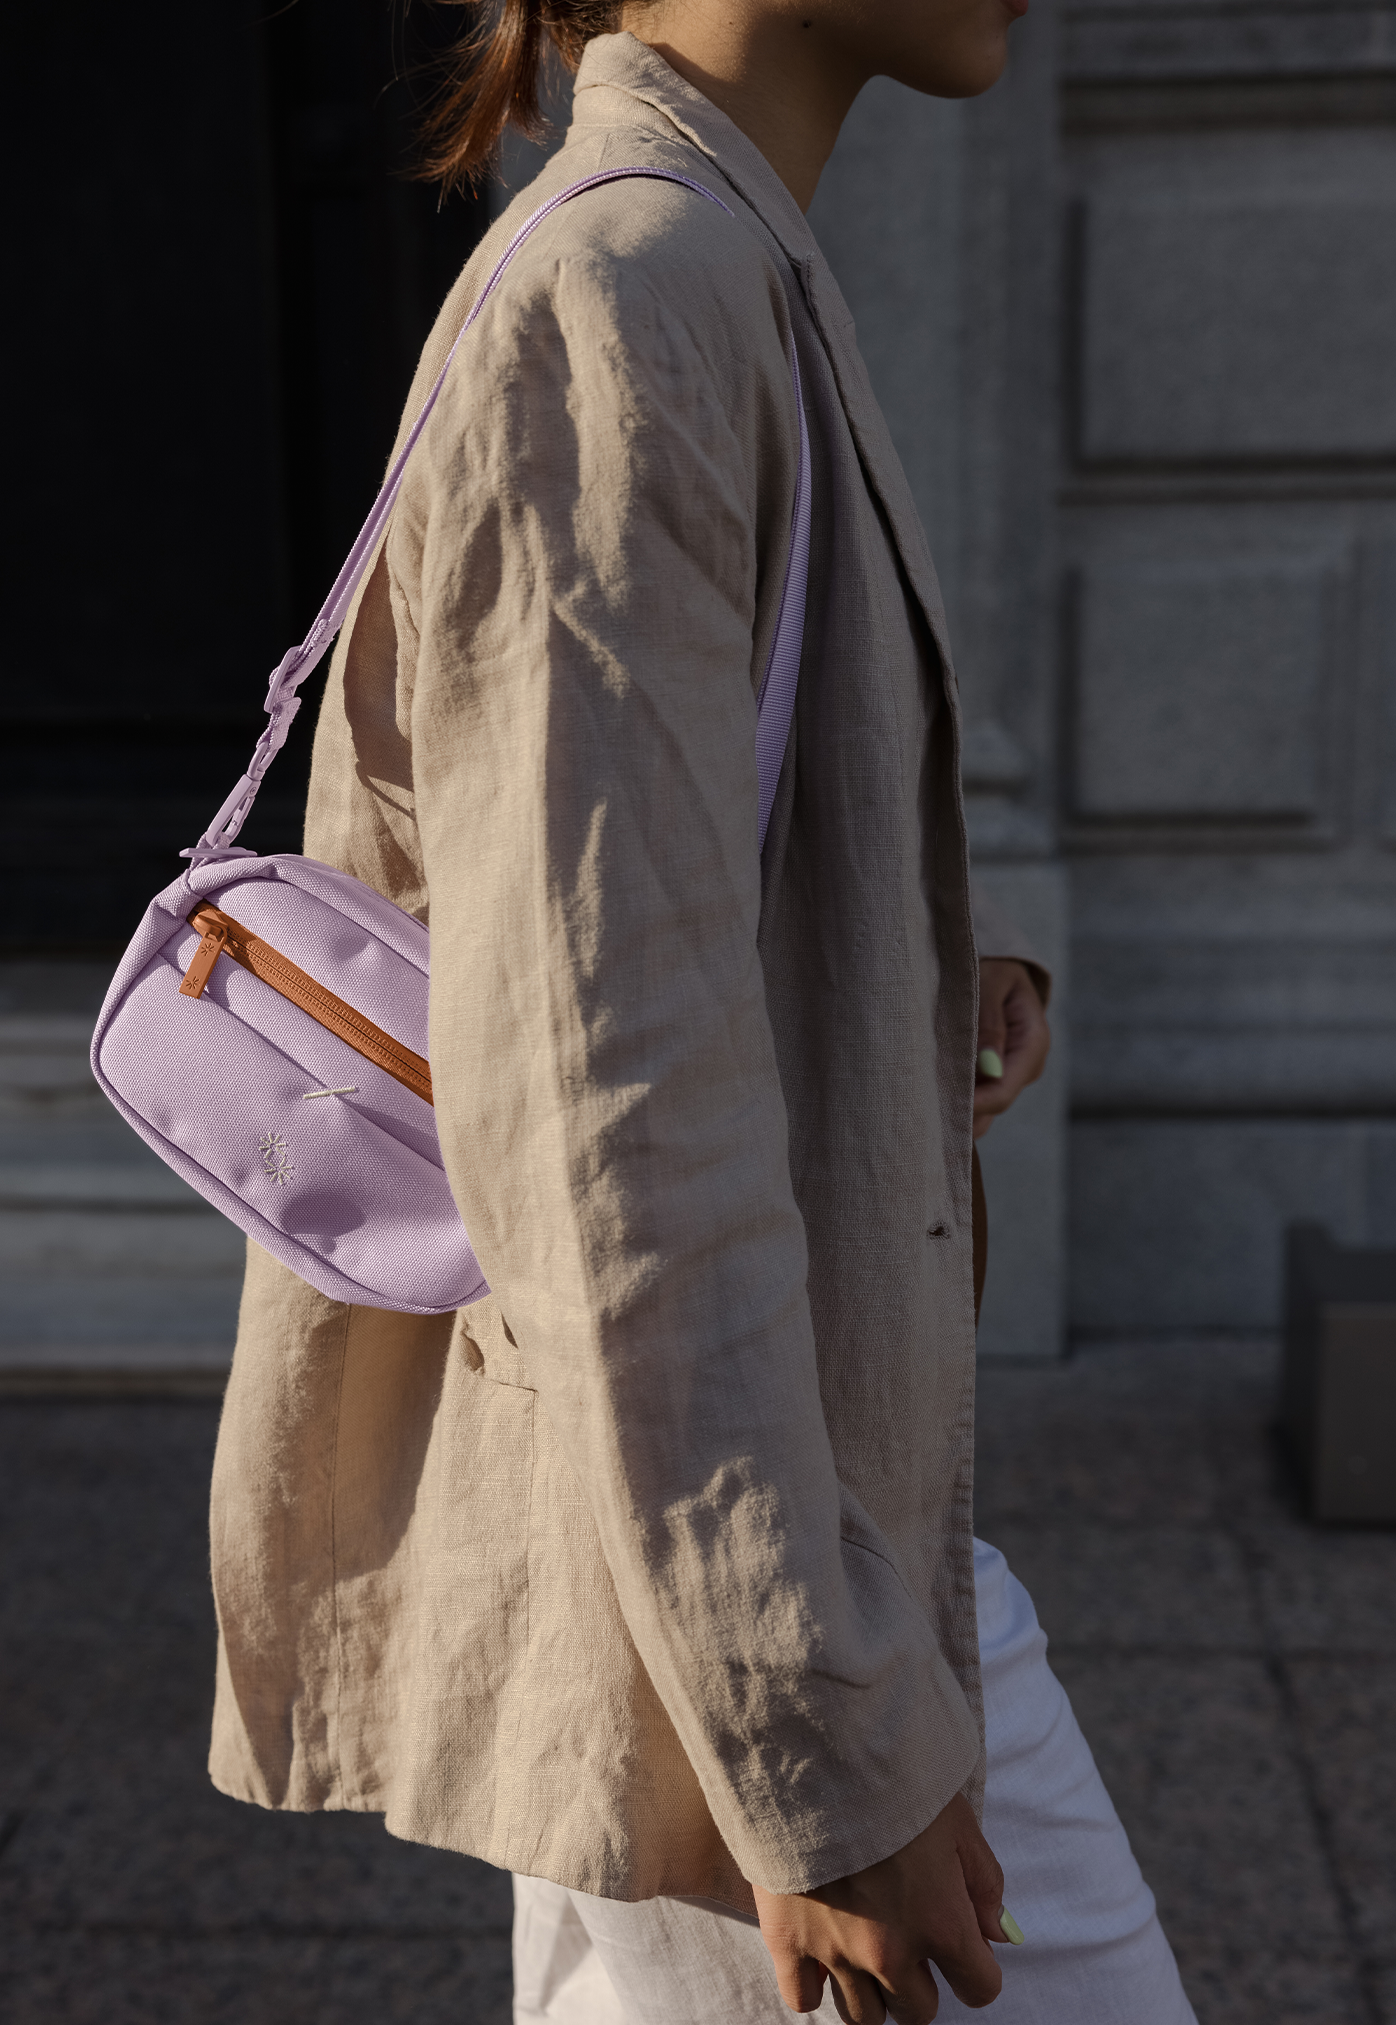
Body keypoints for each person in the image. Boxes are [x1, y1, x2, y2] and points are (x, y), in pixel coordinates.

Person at [205, 0, 1199, 2019]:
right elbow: (603, 1101)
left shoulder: (713, 252)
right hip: (761, 1593)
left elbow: (654, 882)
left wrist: (912, 955)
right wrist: (812, 1738)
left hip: (751, 1538)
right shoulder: (626, 294)